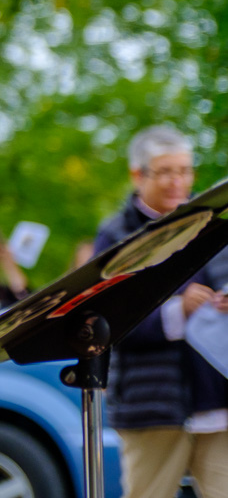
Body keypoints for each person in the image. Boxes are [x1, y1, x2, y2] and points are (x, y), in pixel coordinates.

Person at [95, 124, 228, 498]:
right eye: (166, 172)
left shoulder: (216, 225)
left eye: (184, 170)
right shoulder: (117, 236)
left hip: (218, 399)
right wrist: (177, 312)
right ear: (137, 175)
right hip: (150, 403)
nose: (177, 182)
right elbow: (104, 321)